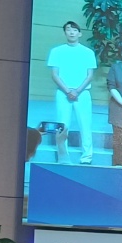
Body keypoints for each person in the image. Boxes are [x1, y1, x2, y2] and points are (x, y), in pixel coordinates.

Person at [46, 20, 96, 164]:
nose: (71, 32)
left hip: (83, 93)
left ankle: (87, 156)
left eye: (74, 30)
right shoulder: (56, 51)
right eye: (68, 30)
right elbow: (55, 74)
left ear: (79, 33)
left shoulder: (88, 52)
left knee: (85, 124)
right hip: (63, 93)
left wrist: (77, 91)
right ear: (65, 33)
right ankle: (63, 156)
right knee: (62, 126)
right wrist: (68, 91)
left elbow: (90, 75)